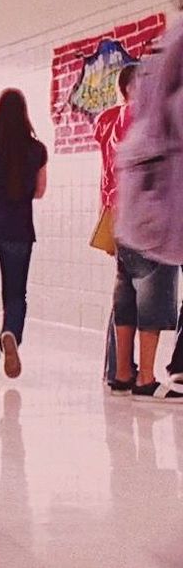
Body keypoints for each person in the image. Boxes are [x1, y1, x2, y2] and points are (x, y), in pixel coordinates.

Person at [108, 55, 182, 402]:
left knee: (126, 300)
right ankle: (146, 377)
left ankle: (123, 373)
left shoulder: (119, 119)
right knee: (151, 305)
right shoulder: (162, 120)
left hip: (124, 221)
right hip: (156, 226)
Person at [0, 89, 47, 379]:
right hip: (20, 230)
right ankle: (10, 333)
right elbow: (40, 191)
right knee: (16, 293)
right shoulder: (37, 150)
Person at [93, 64, 137, 389]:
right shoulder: (133, 120)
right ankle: (123, 369)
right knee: (133, 290)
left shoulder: (107, 121)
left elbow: (106, 175)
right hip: (138, 212)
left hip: (115, 211)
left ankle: (116, 367)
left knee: (123, 288)